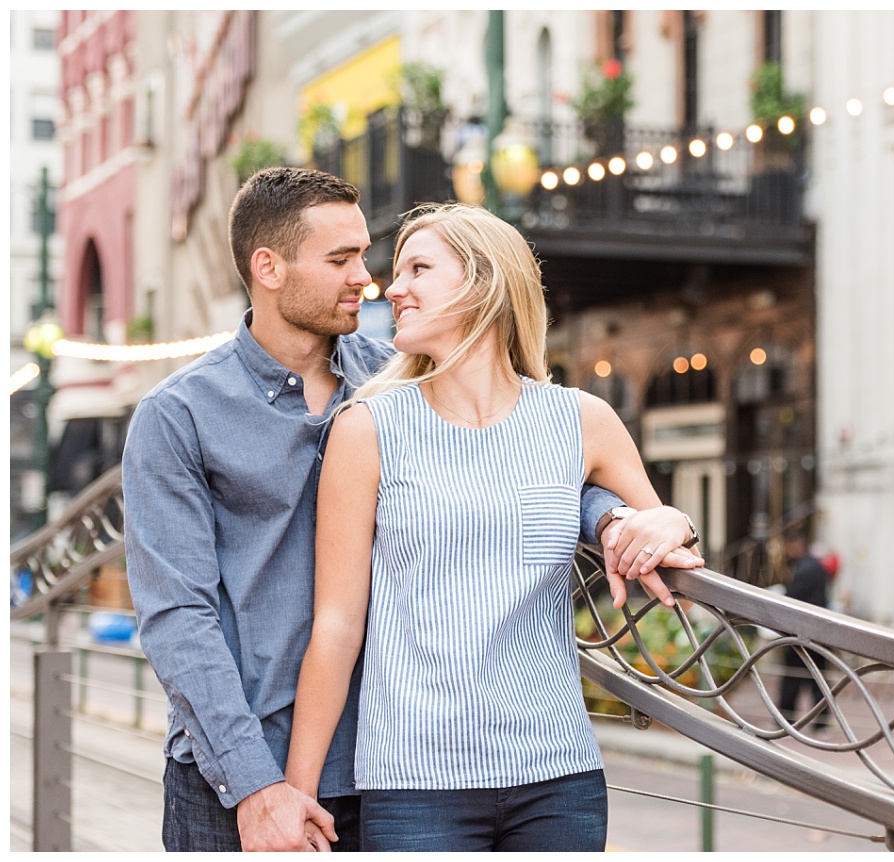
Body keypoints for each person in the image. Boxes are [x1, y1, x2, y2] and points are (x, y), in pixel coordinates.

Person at [122, 168, 697, 852]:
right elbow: (177, 620)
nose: (368, 281)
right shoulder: (178, 417)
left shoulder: (398, 377)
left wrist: (621, 516)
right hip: (245, 768)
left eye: (371, 257)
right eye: (341, 260)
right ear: (267, 267)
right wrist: (259, 787)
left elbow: (521, 463)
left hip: (388, 766)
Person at [284, 202, 702, 852]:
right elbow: (337, 628)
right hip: (417, 786)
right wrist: (298, 791)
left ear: (483, 283)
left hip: (558, 780)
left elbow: (658, 533)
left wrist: (675, 520)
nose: (391, 288)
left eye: (417, 268)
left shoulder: (581, 420)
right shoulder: (367, 430)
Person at [777, 531, 832, 732]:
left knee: (795, 677)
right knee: (815, 678)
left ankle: (786, 719)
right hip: (816, 632)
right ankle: (819, 722)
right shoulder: (813, 566)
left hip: (804, 632)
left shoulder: (807, 569)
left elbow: (792, 597)